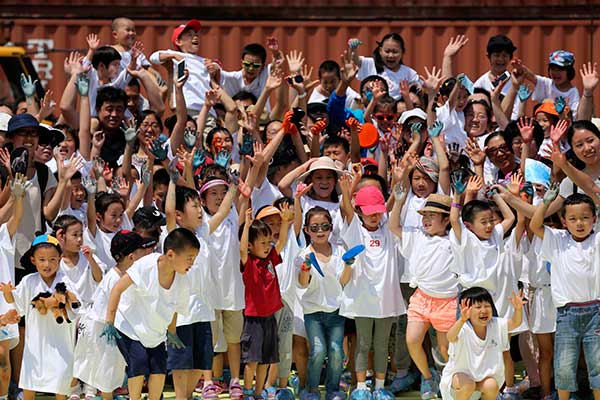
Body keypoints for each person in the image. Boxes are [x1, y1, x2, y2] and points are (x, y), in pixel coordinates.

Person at [164, 160, 238, 400]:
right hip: (181, 312)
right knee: (181, 362)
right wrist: (174, 181)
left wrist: (234, 185)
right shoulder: (174, 235)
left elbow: (225, 209)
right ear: (179, 214)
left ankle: (186, 395)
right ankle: (181, 396)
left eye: (199, 205)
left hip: (204, 311)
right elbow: (168, 212)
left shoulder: (203, 232)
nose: (199, 210)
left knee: (201, 360)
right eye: (194, 206)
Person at [102, 228, 200, 400]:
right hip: (130, 325)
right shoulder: (145, 265)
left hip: (156, 331)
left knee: (159, 369)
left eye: (194, 258)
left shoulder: (183, 280)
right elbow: (117, 288)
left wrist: (172, 332)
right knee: (138, 364)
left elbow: (175, 308)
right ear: (170, 255)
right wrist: (109, 321)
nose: (192, 263)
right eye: (189, 258)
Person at [338, 177, 405, 400]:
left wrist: (400, 178)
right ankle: (360, 387)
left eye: (378, 212)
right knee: (364, 343)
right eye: (370, 212)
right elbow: (347, 210)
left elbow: (394, 201)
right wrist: (347, 191)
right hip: (362, 297)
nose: (375, 216)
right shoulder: (354, 229)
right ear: (359, 211)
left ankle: (379, 386)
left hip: (386, 298)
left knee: (382, 344)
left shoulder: (387, 229)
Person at [530, 190, 600, 400]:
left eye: (585, 218)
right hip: (566, 314)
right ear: (563, 221)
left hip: (596, 311)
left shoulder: (597, 239)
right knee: (563, 365)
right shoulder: (557, 239)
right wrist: (545, 203)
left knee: (597, 364)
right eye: (573, 219)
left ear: (594, 219)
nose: (579, 223)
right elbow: (534, 226)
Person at [390, 189, 458, 399]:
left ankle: (446, 379)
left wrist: (460, 200)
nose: (426, 220)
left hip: (447, 300)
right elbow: (393, 226)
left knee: (445, 351)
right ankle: (428, 377)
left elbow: (457, 222)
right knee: (412, 340)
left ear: (446, 220)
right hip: (421, 298)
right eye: (424, 216)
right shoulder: (417, 236)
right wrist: (399, 201)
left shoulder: (454, 240)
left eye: (432, 216)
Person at [73, 230, 156, 400]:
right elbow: (103, 314)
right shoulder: (114, 279)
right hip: (102, 332)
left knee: (111, 372)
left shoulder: (126, 275)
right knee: (106, 373)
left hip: (110, 330)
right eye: (143, 250)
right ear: (132, 257)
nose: (148, 253)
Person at [0, 234, 78, 400]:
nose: (47, 264)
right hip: (35, 343)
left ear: (60, 259)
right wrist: (7, 293)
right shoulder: (29, 281)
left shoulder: (66, 280)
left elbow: (74, 306)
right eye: (42, 259)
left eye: (52, 259)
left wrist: (57, 301)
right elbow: (16, 304)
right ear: (33, 260)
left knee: (60, 380)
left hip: (61, 342)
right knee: (31, 380)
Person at [239, 204, 293, 400]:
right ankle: (247, 392)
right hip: (254, 320)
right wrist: (246, 226)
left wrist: (285, 222)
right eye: (262, 242)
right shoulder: (249, 263)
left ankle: (259, 391)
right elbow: (243, 249)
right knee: (252, 360)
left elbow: (282, 241)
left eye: (268, 242)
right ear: (252, 245)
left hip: (270, 318)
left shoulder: (270, 257)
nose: (267, 246)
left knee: (266, 360)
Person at [295, 206, 350, 400]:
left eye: (324, 226)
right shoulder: (303, 255)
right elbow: (302, 283)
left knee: (336, 352)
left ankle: (333, 390)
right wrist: (305, 269)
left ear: (331, 228)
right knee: (318, 351)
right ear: (307, 230)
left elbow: (343, 281)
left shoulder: (339, 251)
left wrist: (349, 265)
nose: (320, 231)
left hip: (336, 311)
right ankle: (311, 389)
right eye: (315, 227)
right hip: (313, 312)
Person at [440, 287, 525, 400]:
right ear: (467, 311)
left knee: (492, 386)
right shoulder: (464, 328)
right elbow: (450, 337)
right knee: (468, 384)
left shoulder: (496, 324)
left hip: (482, 377)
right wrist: (461, 320)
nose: (484, 310)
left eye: (487, 306)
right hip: (459, 377)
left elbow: (515, 323)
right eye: (478, 307)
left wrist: (518, 309)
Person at [0, 174, 26, 400]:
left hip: (3, 306)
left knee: (2, 359)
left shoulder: (1, 235)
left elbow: (17, 219)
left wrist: (18, 198)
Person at [354, 33, 420, 100]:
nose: (391, 55)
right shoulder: (370, 64)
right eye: (387, 51)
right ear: (380, 51)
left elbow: (420, 89)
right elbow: (355, 59)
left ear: (402, 52)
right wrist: (353, 48)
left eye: (395, 52)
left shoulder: (409, 73)